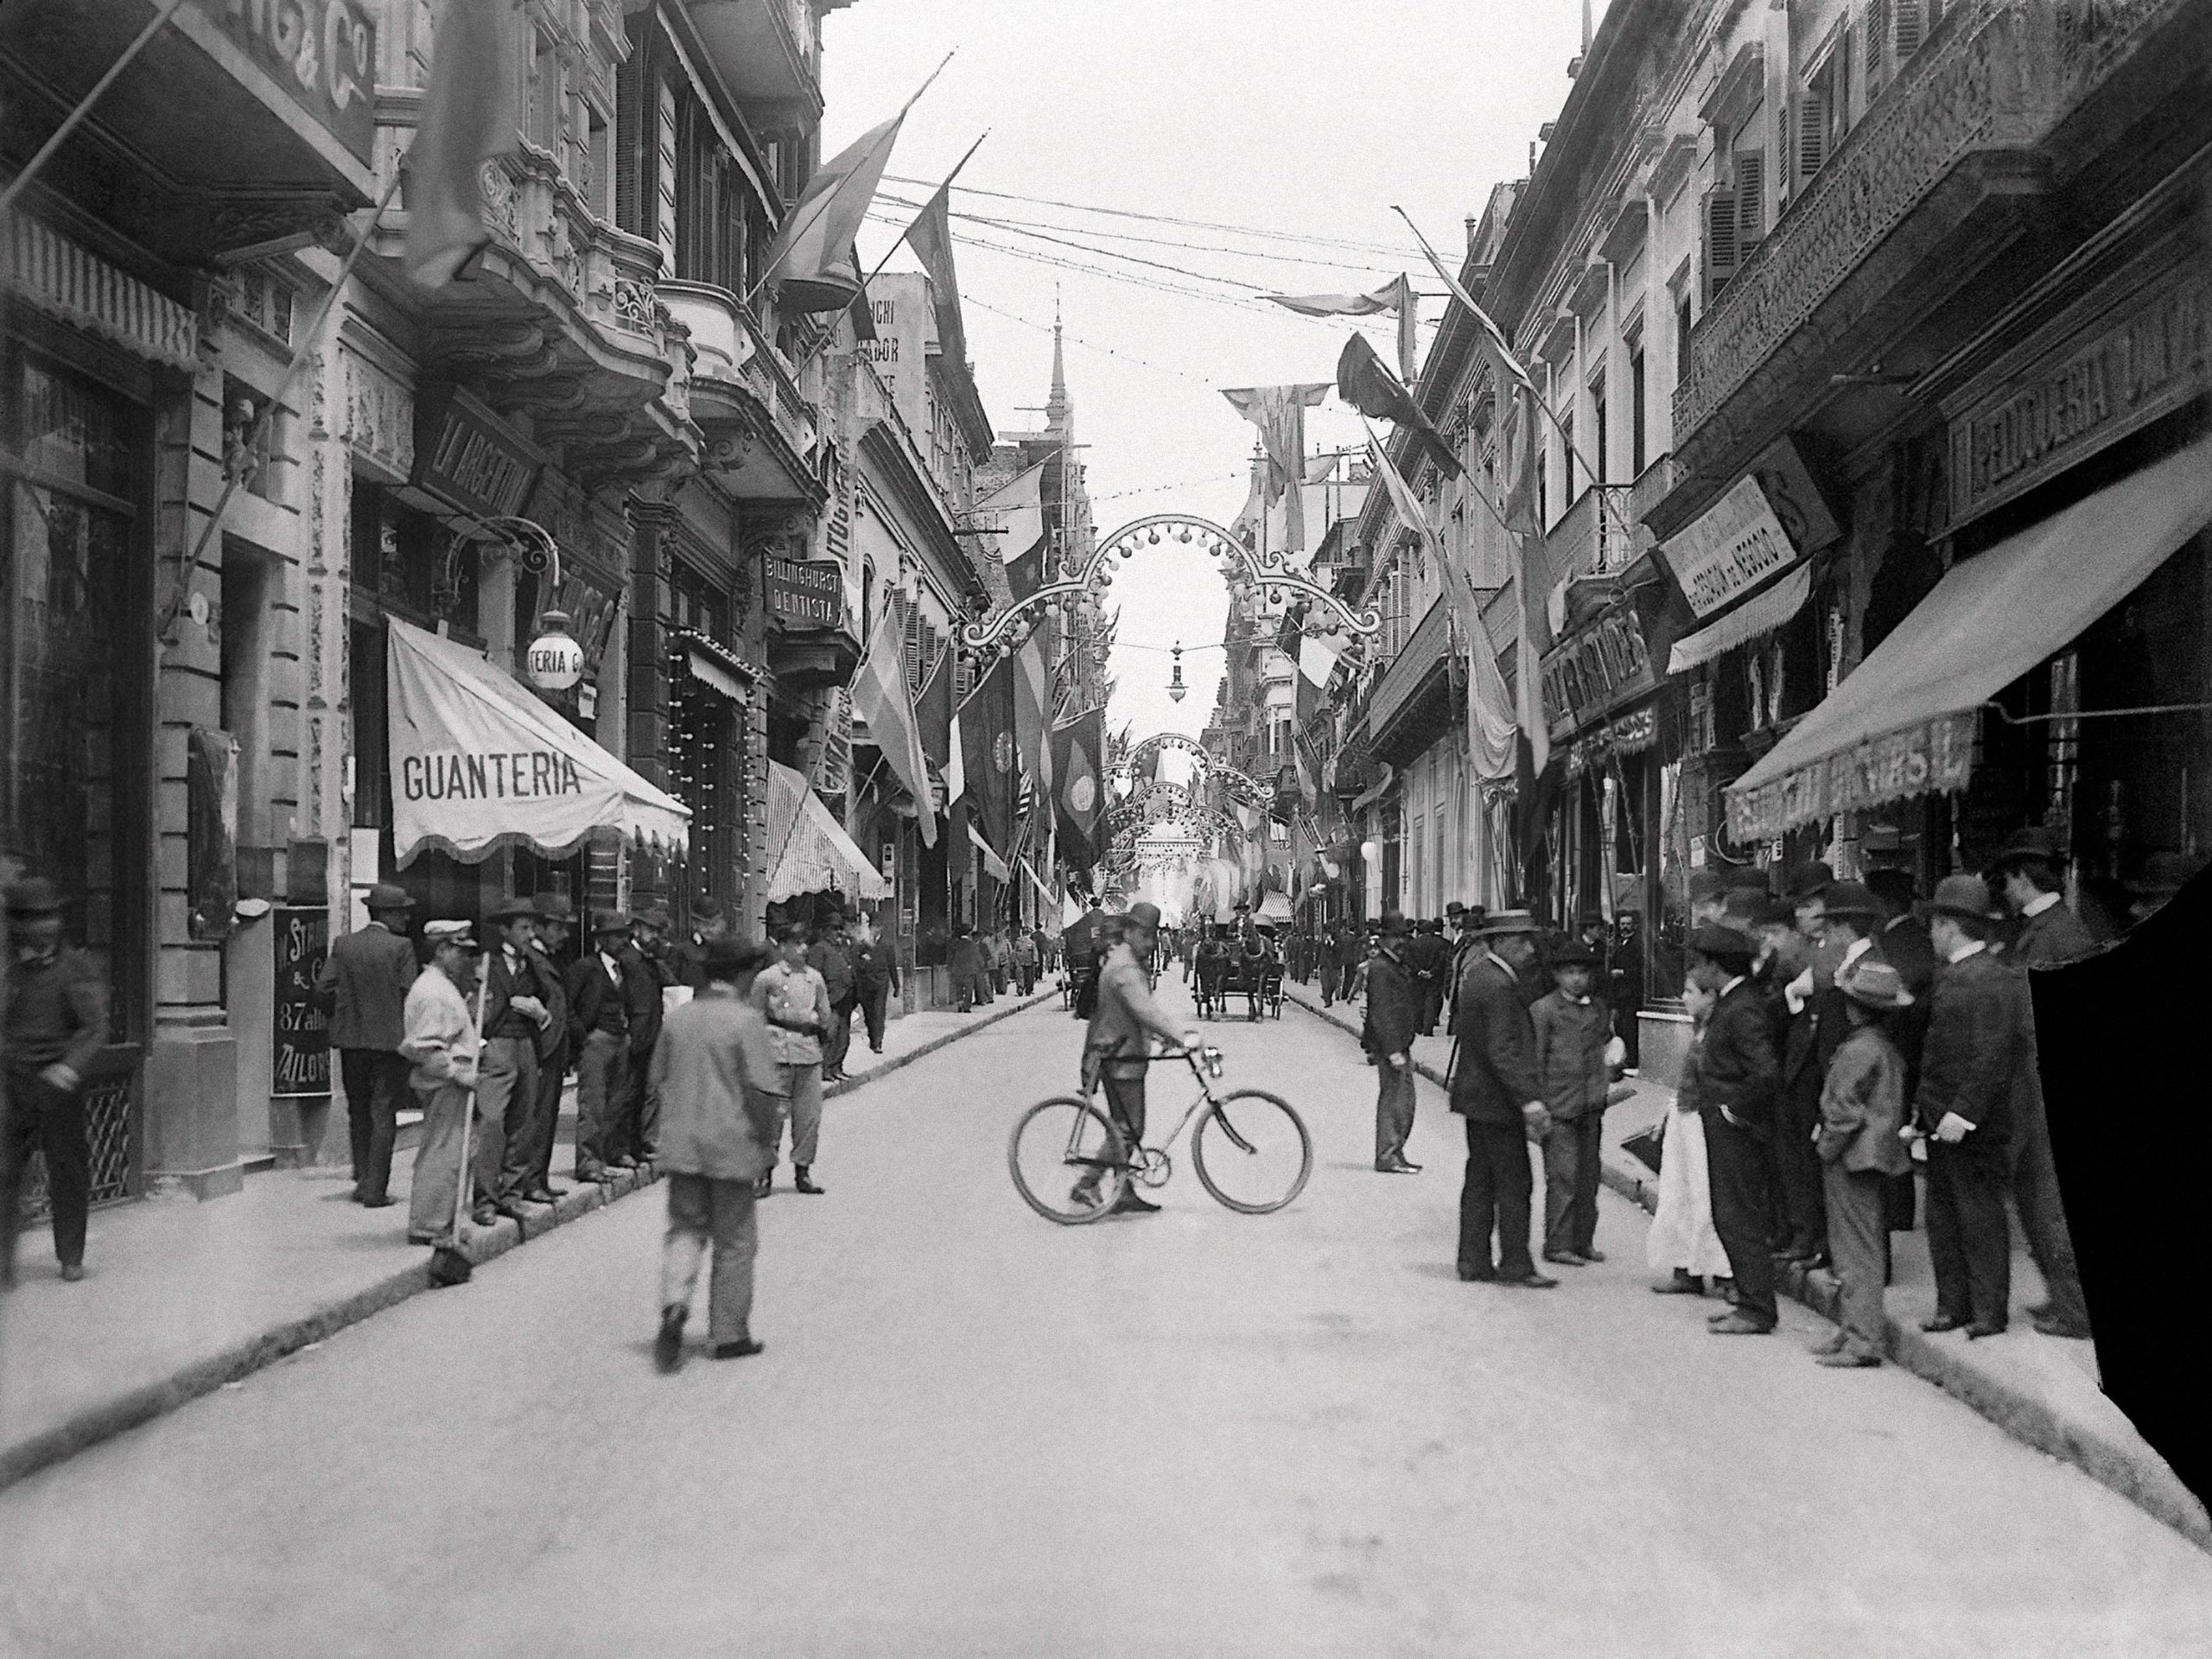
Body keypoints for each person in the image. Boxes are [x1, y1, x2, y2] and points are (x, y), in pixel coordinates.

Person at [1910, 874, 2033, 1339]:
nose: (1931, 935)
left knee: (1978, 1215)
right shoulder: (1963, 975)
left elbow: (1992, 1056)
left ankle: (1987, 1312)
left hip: (1972, 1123)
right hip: (1943, 1118)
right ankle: (1954, 1306)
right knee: (1943, 1215)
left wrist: (1963, 1112)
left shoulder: (1989, 980)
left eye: (1935, 925)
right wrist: (1925, 1113)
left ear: (1949, 926)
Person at [652, 938, 781, 1370]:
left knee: (685, 1230)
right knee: (735, 1243)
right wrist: (766, 1145)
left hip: (682, 1145)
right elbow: (763, 1092)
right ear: (742, 974)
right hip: (732, 1144)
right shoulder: (746, 1022)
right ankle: (729, 1335)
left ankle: (674, 1304)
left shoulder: (679, 1020)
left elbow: (658, 1079)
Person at [1988, 827, 2095, 1340]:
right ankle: (2062, 1297)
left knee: (2050, 1198)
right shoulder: (2048, 928)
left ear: (2024, 879)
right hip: (2031, 1084)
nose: (2004, 893)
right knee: (2034, 1193)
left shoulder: (2057, 934)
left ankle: (2077, 1308)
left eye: (2007, 881)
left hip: (2042, 1086)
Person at [3, 876, 110, 1285]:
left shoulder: (74, 967)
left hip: (58, 1086)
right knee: (6, 1171)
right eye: (33, 918)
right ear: (15, 923)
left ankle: (70, 1256)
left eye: (50, 916)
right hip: (13, 1083)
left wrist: (68, 1067)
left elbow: (94, 1027)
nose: (44, 926)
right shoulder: (8, 969)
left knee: (67, 1171)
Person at [1811, 955, 1916, 1368]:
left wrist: (1826, 1148)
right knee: (1858, 1247)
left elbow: (1844, 1113)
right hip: (1872, 1155)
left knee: (1855, 1251)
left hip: (1852, 1157)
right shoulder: (1883, 1049)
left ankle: (1862, 1339)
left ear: (1855, 1007)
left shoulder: (1858, 1050)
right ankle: (1852, 1327)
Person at [1446, 911, 1556, 1288]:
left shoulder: (1480, 977)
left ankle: (1473, 1260)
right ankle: (1515, 1263)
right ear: (1499, 943)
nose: (1529, 950)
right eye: (1521, 941)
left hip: (1478, 1099)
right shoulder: (1498, 985)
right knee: (1513, 1184)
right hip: (1496, 1102)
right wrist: (1529, 1099)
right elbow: (1503, 1050)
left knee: (1480, 1181)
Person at [1689, 923, 1783, 1335]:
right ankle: (1749, 1299)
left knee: (1738, 1215)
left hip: (1737, 1127)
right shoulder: (1736, 1000)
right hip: (1726, 1121)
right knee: (1730, 1213)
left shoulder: (1742, 1007)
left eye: (1701, 964)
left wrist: (1732, 1111)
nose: (1697, 972)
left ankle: (1757, 1308)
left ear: (1716, 966)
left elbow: (1765, 1073)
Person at [1075, 901, 1197, 1216]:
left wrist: (1163, 1037)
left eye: (1152, 936)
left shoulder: (1122, 961)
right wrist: (1184, 1037)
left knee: (1121, 1126)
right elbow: (1144, 1010)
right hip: (1121, 1058)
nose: (1150, 943)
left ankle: (1123, 1190)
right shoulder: (1125, 970)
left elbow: (1133, 1015)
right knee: (1129, 1130)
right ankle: (1087, 1184)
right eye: (1144, 935)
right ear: (1128, 932)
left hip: (1118, 1052)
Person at [315, 882, 419, 1210]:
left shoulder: (344, 945)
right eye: (401, 912)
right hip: (390, 1044)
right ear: (386, 914)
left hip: (351, 1043)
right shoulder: (401, 947)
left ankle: (362, 1181)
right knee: (383, 1114)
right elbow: (409, 995)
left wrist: (341, 1018)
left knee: (357, 1110)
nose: (405, 918)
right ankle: (376, 1190)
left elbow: (321, 990)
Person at [1645, 972, 1735, 1300]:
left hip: (1703, 1119)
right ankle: (1686, 1268)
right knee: (1679, 1194)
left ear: (1711, 995)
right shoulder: (1698, 1029)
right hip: (1685, 1117)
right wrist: (1668, 1111)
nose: (1684, 997)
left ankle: (1724, 1271)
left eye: (1691, 992)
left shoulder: (1720, 1030)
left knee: (1707, 1193)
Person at [402, 921, 487, 1252]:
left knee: (457, 1153)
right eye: (460, 951)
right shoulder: (432, 991)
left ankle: (445, 1221)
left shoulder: (443, 986)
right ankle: (429, 1225)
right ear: (441, 950)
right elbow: (427, 1047)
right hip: (445, 1082)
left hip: (453, 1081)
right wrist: (455, 1072)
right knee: (443, 1154)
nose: (466, 958)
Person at [1533, 938, 1614, 1267]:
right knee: (1563, 1177)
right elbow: (1536, 1060)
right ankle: (1557, 1243)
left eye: (1583, 972)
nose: (1577, 979)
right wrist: (1537, 1105)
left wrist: (1611, 1072)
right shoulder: (1544, 1010)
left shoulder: (1596, 1008)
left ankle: (1583, 1241)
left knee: (1588, 1176)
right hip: (1559, 1105)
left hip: (1591, 1104)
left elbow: (1603, 1049)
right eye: (1570, 972)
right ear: (1556, 975)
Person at [479, 897, 555, 1224]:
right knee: (492, 1121)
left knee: (523, 1121)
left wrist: (537, 1009)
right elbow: (477, 1007)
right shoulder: (487, 964)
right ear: (504, 930)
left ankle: (512, 1193)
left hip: (526, 1045)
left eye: (531, 927)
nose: (529, 933)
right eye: (522, 927)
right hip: (497, 1044)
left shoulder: (532, 964)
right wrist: (480, 1042)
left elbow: (548, 994)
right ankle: (484, 1199)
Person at [753, 923, 830, 1197]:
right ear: (783, 946)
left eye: (804, 943)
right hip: (776, 1053)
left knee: (809, 1118)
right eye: (796, 943)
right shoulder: (767, 978)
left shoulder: (815, 979)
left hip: (808, 1054)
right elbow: (755, 1015)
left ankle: (803, 1171)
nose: (803, 948)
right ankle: (763, 1174)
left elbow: (825, 1014)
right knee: (771, 1119)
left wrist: (819, 1034)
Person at [563, 911, 635, 1185]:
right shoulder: (585, 968)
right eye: (616, 936)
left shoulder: (625, 969)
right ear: (602, 940)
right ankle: (588, 1162)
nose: (622, 942)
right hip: (597, 1040)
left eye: (624, 936)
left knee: (616, 1102)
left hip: (620, 1039)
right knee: (592, 1102)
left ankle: (607, 1155)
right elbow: (567, 1007)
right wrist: (585, 1036)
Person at [520, 893, 574, 1205]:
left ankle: (539, 1177)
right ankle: (529, 1180)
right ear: (539, 927)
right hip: (538, 1050)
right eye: (559, 927)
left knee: (547, 1116)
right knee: (534, 1117)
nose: (565, 935)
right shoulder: (530, 960)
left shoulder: (548, 959)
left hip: (552, 1050)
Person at [1362, 913, 1422, 1175]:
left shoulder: (1392, 965)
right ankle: (1387, 1154)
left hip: (1399, 1043)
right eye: (1396, 937)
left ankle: (1395, 1152)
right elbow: (1382, 1013)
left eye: (1403, 937)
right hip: (1391, 1046)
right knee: (1395, 1101)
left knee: (1404, 1101)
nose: (1401, 942)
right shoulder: (1381, 968)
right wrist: (1392, 1050)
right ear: (1385, 939)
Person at [620, 908, 673, 1168]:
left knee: (647, 1092)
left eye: (658, 933)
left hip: (651, 1033)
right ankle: (623, 1147)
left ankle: (640, 1143)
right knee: (628, 1093)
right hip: (633, 1034)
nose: (655, 937)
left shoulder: (651, 961)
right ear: (637, 928)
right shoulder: (627, 959)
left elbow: (673, 985)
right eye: (651, 930)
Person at [810, 913, 856, 1082]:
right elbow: (815, 975)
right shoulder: (819, 948)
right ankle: (825, 1069)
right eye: (834, 928)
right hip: (831, 998)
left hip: (846, 998)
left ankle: (837, 1067)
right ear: (824, 931)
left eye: (839, 928)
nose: (838, 932)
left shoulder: (842, 948)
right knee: (829, 1035)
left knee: (843, 1037)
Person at [849, 912, 899, 1053]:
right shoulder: (863, 944)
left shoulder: (887, 944)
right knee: (869, 1013)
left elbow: (892, 966)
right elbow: (856, 958)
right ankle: (873, 1038)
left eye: (878, 926)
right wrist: (864, 958)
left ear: (882, 928)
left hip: (881, 983)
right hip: (866, 982)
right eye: (873, 926)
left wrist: (897, 986)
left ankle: (877, 1042)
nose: (876, 929)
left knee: (879, 1012)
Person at [1609, 908, 1644, 1070]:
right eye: (1622, 924)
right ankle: (1623, 1058)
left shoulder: (1637, 945)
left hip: (1632, 993)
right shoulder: (1617, 944)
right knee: (1620, 1027)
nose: (1625, 927)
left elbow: (1642, 970)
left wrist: (1623, 972)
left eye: (1628, 924)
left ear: (1634, 926)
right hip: (1619, 993)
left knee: (1630, 1028)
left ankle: (1632, 1059)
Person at [1406, 918, 1451, 1036]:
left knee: (1418, 1001)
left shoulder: (1413, 944)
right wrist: (1432, 972)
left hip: (1418, 978)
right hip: (1434, 978)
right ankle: (1428, 1029)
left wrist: (1419, 971)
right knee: (1431, 1003)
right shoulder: (1441, 943)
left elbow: (1409, 960)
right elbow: (1442, 961)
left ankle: (1418, 1026)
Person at [948, 922, 986, 1013]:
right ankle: (967, 1006)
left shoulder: (956, 945)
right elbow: (978, 958)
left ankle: (960, 1002)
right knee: (969, 989)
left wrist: (951, 968)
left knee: (959, 987)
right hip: (969, 971)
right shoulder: (972, 945)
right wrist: (981, 967)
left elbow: (950, 957)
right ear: (969, 934)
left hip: (957, 970)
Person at [1012, 925, 1039, 995]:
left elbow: (1035, 952)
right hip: (1023, 961)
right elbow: (1015, 952)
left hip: (1026, 961)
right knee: (1022, 975)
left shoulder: (1031, 942)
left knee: (1026, 976)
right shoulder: (1019, 942)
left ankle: (1027, 989)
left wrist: (1035, 960)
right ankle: (1021, 988)